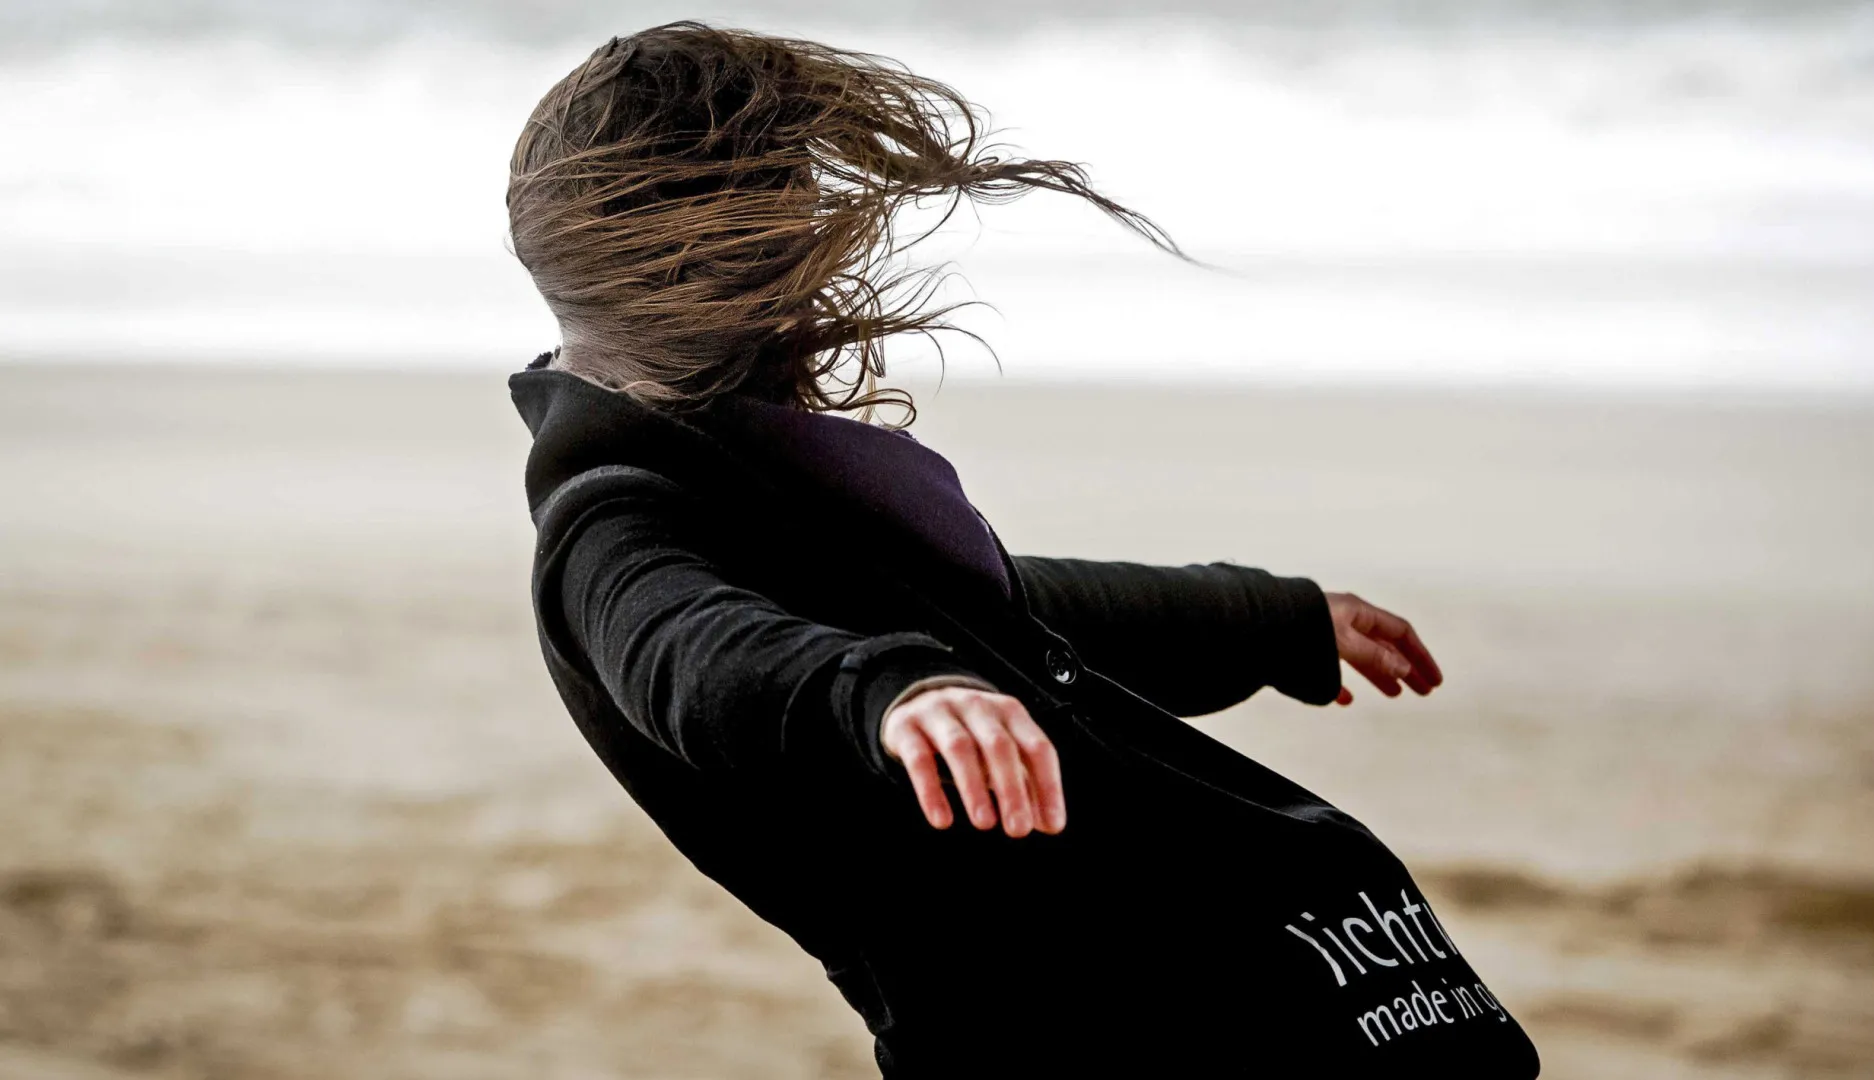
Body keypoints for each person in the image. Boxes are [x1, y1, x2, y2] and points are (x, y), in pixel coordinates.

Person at [505, 21, 1540, 1078]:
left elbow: (1008, 613)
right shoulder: (608, 524)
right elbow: (691, 656)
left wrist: (1268, 620)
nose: (812, 257)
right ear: (696, 260)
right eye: (788, 216)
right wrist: (889, 694)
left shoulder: (746, 470)